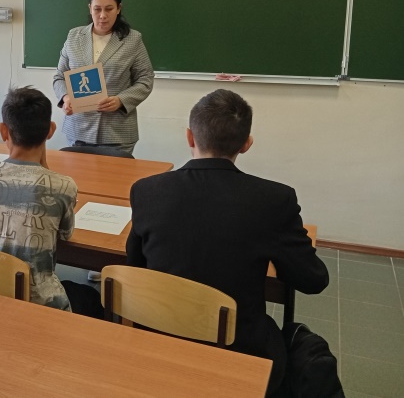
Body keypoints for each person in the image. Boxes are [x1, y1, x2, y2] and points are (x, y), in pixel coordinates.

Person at [126, 89, 328, 394]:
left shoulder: (146, 190)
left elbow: (134, 264)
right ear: (247, 144)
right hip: (237, 348)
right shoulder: (274, 200)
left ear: (189, 137)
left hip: (160, 337)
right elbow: (313, 279)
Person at [0, 86, 104, 318]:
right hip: (39, 304)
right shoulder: (63, 186)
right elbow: (65, 234)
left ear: (3, 131)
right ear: (51, 130)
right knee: (92, 297)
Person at [52, 0, 154, 156]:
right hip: (79, 128)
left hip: (117, 131)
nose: (102, 15)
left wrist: (121, 100)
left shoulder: (132, 39)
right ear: (90, 8)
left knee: (116, 174)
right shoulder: (74, 36)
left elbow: (145, 79)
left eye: (109, 9)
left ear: (118, 9)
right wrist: (66, 97)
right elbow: (59, 76)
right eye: (97, 9)